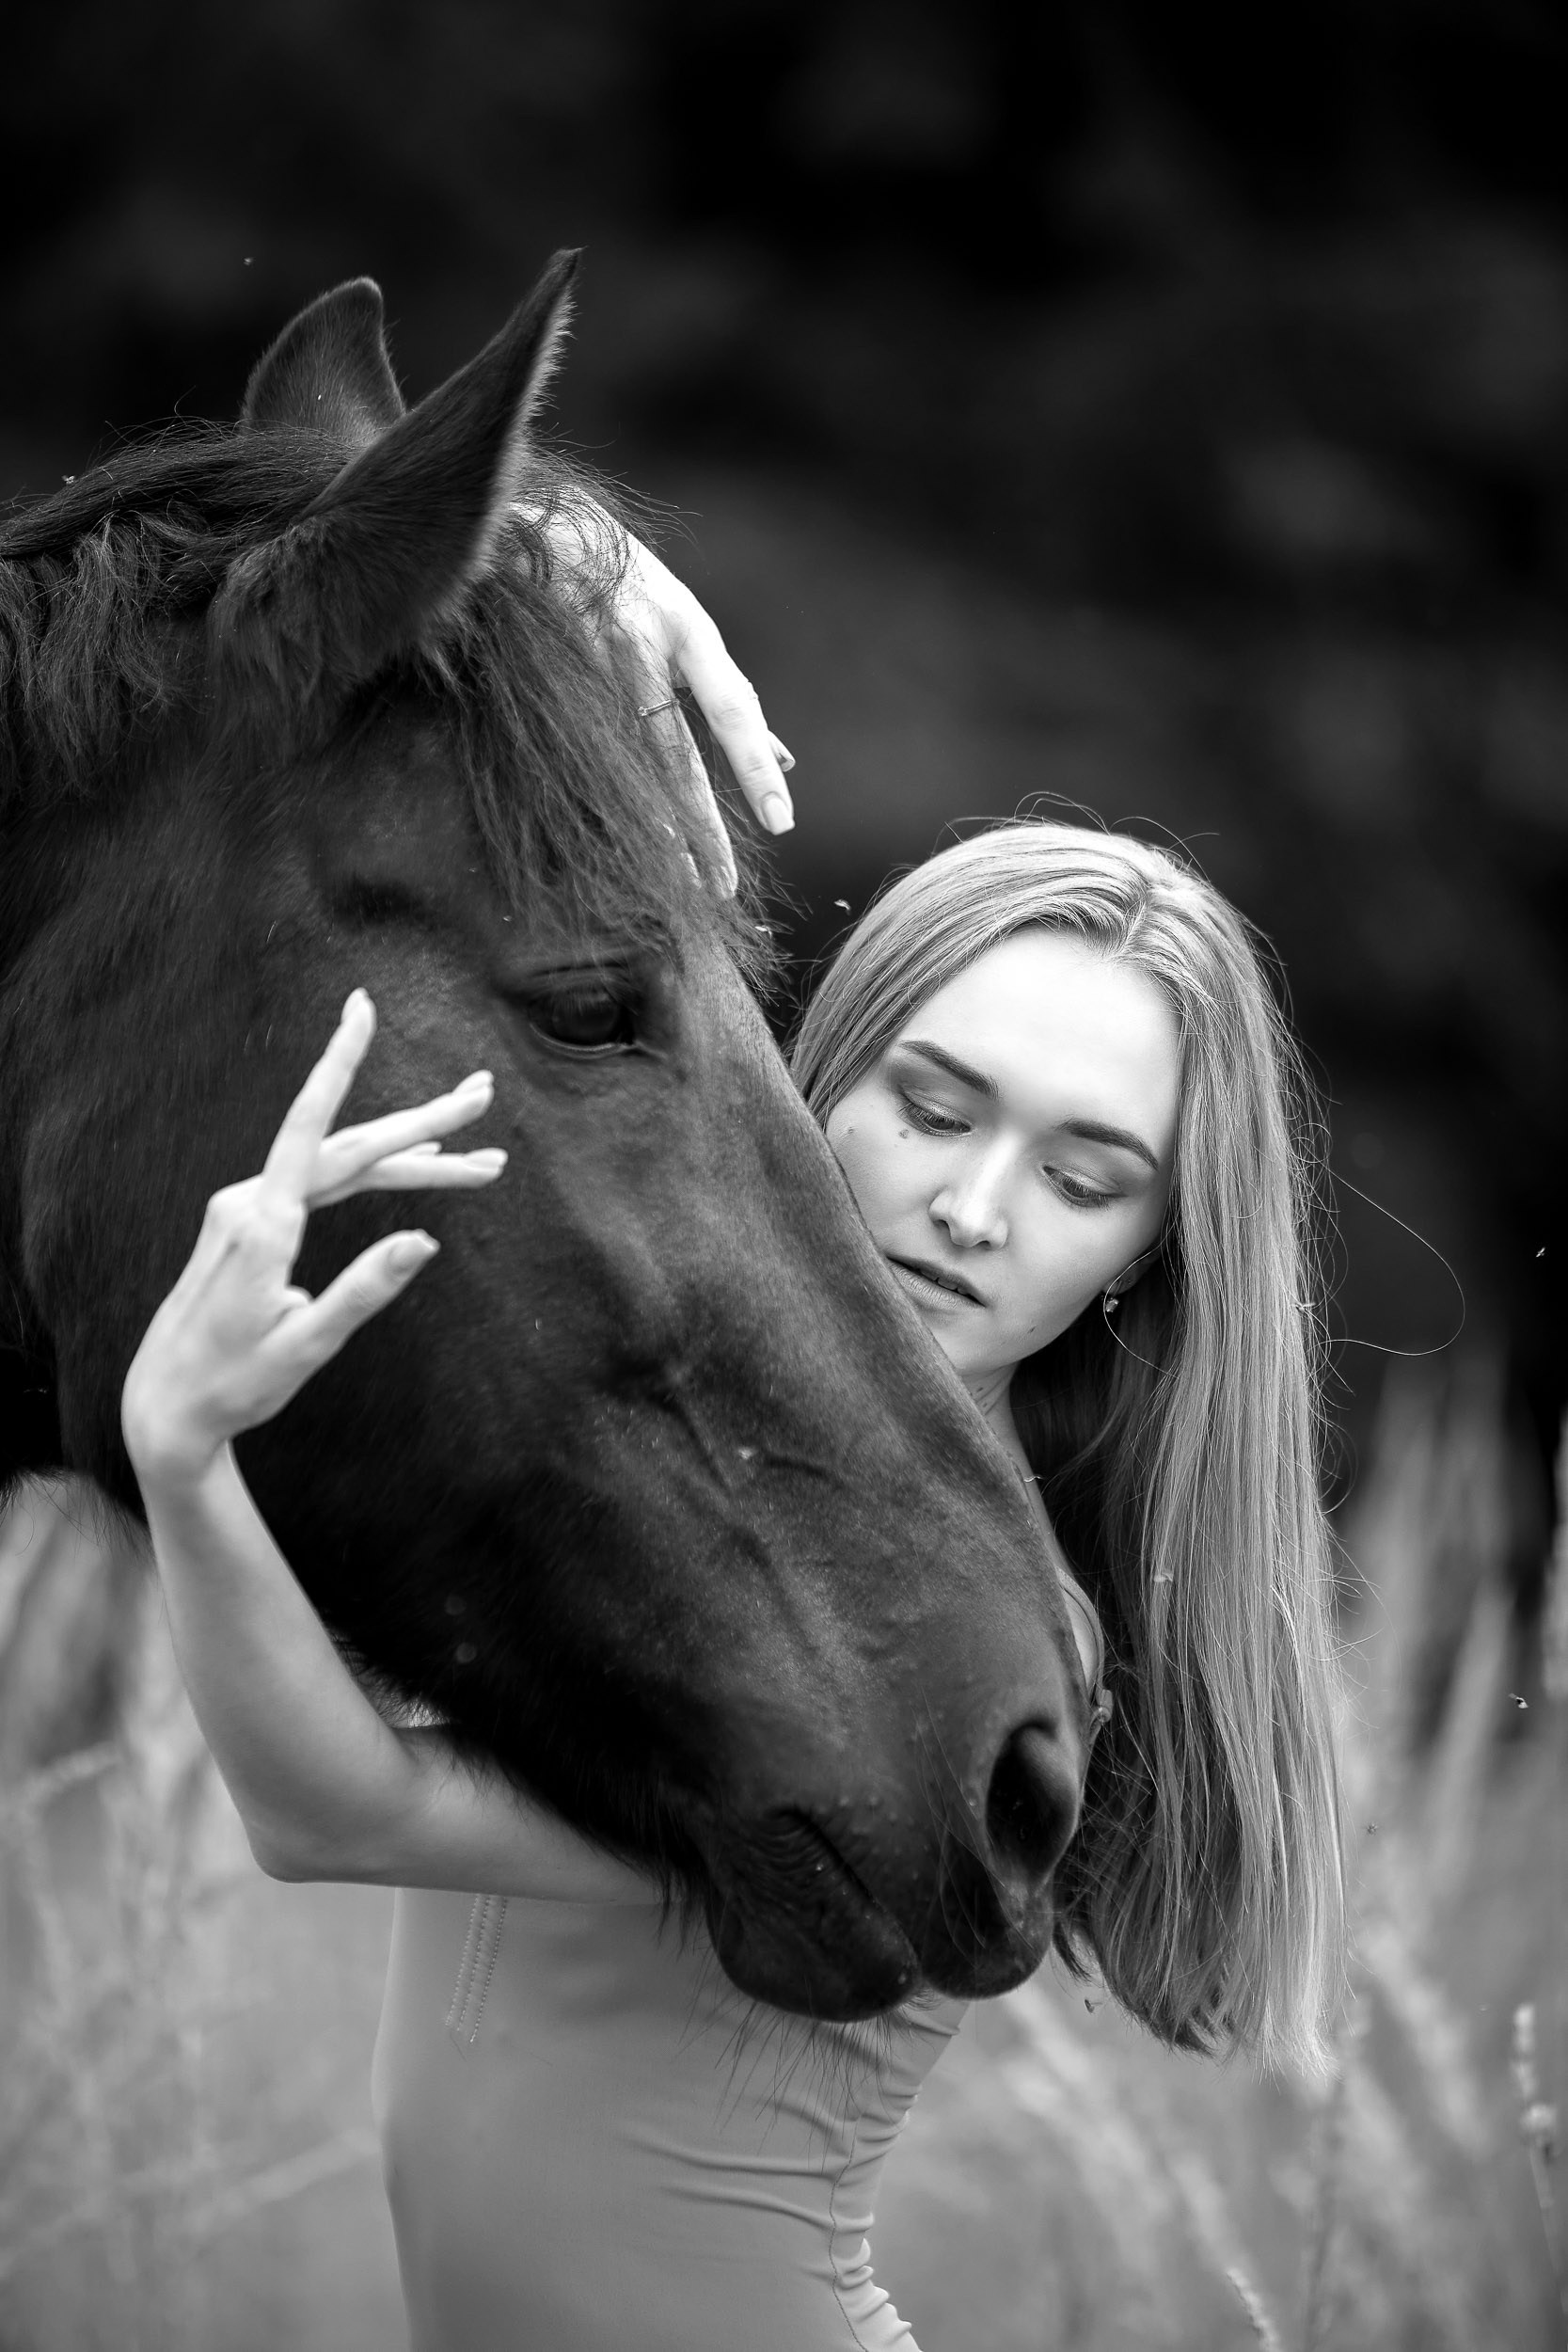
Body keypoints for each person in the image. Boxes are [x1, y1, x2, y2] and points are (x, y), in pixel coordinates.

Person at [121, 562, 1345, 2350]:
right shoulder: (672, 1470)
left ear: (1147, 1262)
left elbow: (337, 1811)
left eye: (1085, 1180)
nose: (973, 1208)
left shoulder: (972, 1629)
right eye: (932, 1107)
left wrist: (184, 1455)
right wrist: (553, 544)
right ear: (815, 1081)